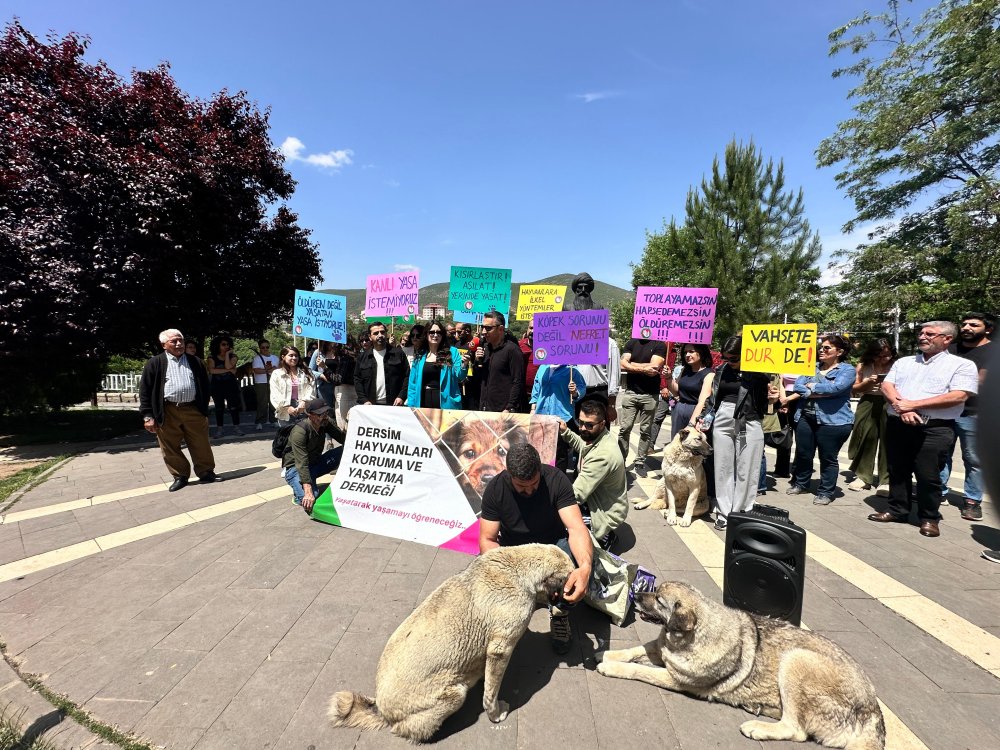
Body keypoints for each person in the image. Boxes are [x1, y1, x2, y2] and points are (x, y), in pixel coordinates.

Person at [479, 443, 593, 654]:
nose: (530, 490)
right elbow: (487, 539)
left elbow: (577, 528)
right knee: (484, 567)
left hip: (552, 547)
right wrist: (505, 573)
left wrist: (585, 567)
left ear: (540, 470)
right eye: (522, 487)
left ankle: (560, 613)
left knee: (574, 555)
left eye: (534, 483)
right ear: (509, 475)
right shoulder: (496, 489)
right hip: (515, 551)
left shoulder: (556, 479)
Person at [868, 321, 978, 538]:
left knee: (928, 475)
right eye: (921, 332)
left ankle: (929, 517)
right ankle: (898, 509)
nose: (922, 336)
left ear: (947, 339)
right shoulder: (904, 362)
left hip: (934, 428)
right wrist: (902, 407)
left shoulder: (961, 365)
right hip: (899, 423)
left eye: (930, 333)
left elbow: (958, 396)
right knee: (897, 469)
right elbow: (887, 386)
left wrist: (914, 405)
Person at [698, 335, 769, 530]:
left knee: (748, 468)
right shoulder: (721, 370)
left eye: (734, 358)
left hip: (749, 419)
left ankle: (741, 511)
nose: (729, 362)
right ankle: (724, 511)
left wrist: (771, 397)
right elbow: (714, 399)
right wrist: (704, 417)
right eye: (725, 357)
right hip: (723, 418)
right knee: (723, 467)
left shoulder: (758, 372)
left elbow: (766, 402)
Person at [139, 328, 218, 492]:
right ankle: (180, 476)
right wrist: (148, 416)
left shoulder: (195, 361)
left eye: (180, 340)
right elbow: (145, 390)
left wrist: (203, 408)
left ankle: (206, 472)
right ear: (164, 345)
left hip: (192, 409)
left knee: (201, 443)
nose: (179, 344)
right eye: (173, 341)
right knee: (170, 446)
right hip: (167, 410)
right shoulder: (155, 363)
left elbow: (205, 385)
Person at [786, 335, 856, 505]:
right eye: (821, 347)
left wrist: (813, 388)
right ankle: (801, 483)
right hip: (805, 417)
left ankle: (825, 492)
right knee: (803, 453)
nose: (821, 351)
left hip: (834, 421)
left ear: (839, 352)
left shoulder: (847, 370)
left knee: (828, 458)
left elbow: (837, 388)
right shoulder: (811, 367)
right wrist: (820, 392)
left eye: (827, 348)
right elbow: (798, 386)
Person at [558, 393, 627, 549]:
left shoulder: (603, 455)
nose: (583, 428)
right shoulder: (599, 437)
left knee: (562, 529)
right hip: (597, 500)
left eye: (589, 425)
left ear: (602, 424)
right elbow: (583, 446)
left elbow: (576, 495)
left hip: (605, 513)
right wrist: (565, 431)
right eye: (581, 422)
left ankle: (604, 536)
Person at [942, 312, 993, 521]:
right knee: (941, 453)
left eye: (973, 324)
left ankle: (972, 501)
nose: (966, 327)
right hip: (944, 410)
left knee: (974, 459)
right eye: (963, 324)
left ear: (987, 329)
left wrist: (948, 383)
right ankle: (938, 492)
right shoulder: (950, 349)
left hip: (974, 413)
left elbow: (980, 382)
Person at [846, 339, 897, 494]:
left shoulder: (897, 366)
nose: (883, 359)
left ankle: (886, 480)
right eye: (879, 356)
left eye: (887, 355)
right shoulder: (863, 366)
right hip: (868, 400)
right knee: (865, 437)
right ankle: (863, 476)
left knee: (889, 441)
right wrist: (867, 383)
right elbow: (854, 388)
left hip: (890, 402)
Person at [281, 398, 345, 512]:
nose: (324, 416)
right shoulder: (299, 431)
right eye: (320, 414)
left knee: (345, 450)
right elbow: (301, 462)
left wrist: (352, 422)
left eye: (326, 412)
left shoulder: (325, 422)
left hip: (315, 463)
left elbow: (344, 439)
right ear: (310, 415)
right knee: (310, 499)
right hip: (296, 468)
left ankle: (310, 481)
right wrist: (308, 490)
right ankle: (298, 493)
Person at [618, 336, 666, 476]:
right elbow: (622, 364)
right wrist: (644, 368)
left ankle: (640, 461)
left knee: (645, 430)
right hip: (631, 392)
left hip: (650, 395)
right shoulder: (631, 342)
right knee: (624, 428)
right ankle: (621, 461)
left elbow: (655, 366)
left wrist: (632, 365)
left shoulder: (659, 344)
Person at [529, 362, 579, 471]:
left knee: (559, 452)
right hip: (541, 414)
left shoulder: (571, 369)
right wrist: (533, 408)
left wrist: (575, 392)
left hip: (561, 415)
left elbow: (581, 388)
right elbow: (536, 388)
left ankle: (559, 481)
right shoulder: (543, 367)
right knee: (541, 449)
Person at [406, 320, 467, 408]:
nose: (435, 335)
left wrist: (464, 365)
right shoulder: (420, 354)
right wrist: (411, 405)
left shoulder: (452, 352)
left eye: (439, 332)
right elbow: (413, 384)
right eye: (431, 332)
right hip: (423, 401)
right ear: (426, 334)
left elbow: (460, 376)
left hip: (446, 403)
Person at [474, 311, 524, 413]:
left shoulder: (512, 350)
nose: (483, 332)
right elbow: (479, 378)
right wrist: (476, 361)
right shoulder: (485, 349)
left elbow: (518, 381)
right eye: (482, 327)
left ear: (500, 329)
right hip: (484, 408)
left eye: (488, 328)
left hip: (503, 412)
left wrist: (510, 407)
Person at [355, 322, 410, 406]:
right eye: (376, 333)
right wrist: (364, 400)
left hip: (394, 405)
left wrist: (401, 396)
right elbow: (358, 379)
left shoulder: (398, 353)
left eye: (382, 332)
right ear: (370, 337)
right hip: (370, 406)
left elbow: (407, 376)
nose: (380, 335)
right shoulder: (363, 357)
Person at [206, 334, 243, 438]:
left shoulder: (233, 356)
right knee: (219, 408)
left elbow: (228, 365)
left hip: (231, 385)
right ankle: (219, 429)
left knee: (233, 407)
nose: (226, 346)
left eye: (228, 344)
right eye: (223, 344)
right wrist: (229, 370)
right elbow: (212, 370)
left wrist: (227, 355)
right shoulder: (211, 357)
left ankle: (237, 427)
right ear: (217, 345)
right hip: (217, 386)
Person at [270, 345, 315, 425]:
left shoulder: (306, 372)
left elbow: (311, 389)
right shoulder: (276, 374)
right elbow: (275, 394)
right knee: (287, 435)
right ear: (283, 357)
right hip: (284, 409)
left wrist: (304, 402)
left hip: (303, 408)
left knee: (303, 435)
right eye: (291, 355)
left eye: (296, 356)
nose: (294, 358)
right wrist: (287, 407)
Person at [249, 339, 278, 430]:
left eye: (267, 347)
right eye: (263, 347)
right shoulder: (257, 358)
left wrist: (267, 370)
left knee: (273, 402)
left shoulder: (275, 358)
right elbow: (256, 370)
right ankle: (260, 421)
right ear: (260, 348)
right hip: (261, 382)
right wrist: (268, 370)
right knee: (262, 402)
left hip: (273, 382)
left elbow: (277, 369)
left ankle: (274, 420)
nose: (265, 349)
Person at [332, 338, 358, 431]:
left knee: (345, 424)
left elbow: (339, 379)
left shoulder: (346, 358)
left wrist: (325, 369)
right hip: (347, 392)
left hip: (345, 392)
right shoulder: (351, 356)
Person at [519, 322, 540, 411]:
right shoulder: (519, 345)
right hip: (521, 394)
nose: (533, 331)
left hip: (539, 395)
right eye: (531, 328)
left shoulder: (546, 347)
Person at [310, 341, 337, 408]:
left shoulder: (340, 352)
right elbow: (309, 371)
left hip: (338, 386)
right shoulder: (318, 352)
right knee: (327, 410)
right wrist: (321, 375)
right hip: (324, 387)